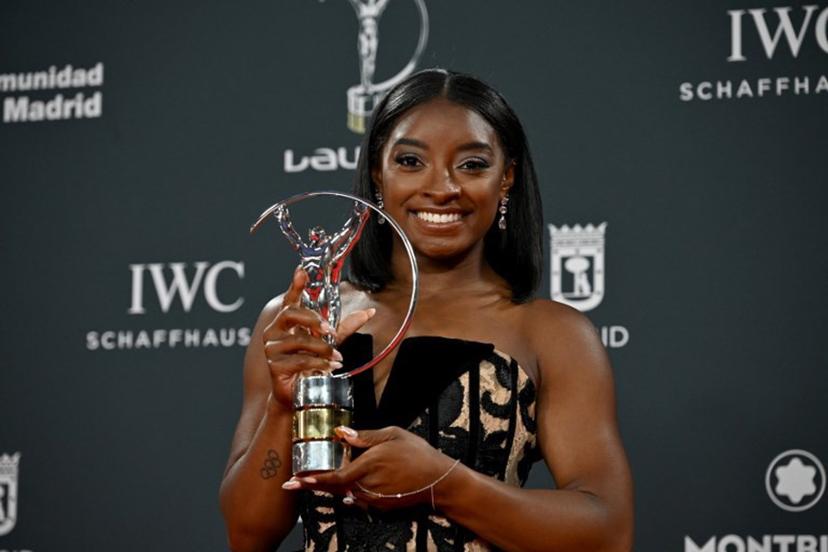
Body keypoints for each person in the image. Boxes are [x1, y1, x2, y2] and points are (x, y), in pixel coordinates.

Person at [219, 69, 634, 552]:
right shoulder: (300, 320)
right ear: (378, 172)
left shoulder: (552, 334)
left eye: (473, 165)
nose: (442, 188)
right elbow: (247, 534)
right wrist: (283, 405)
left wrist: (446, 483)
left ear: (508, 178)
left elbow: (608, 534)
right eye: (411, 161)